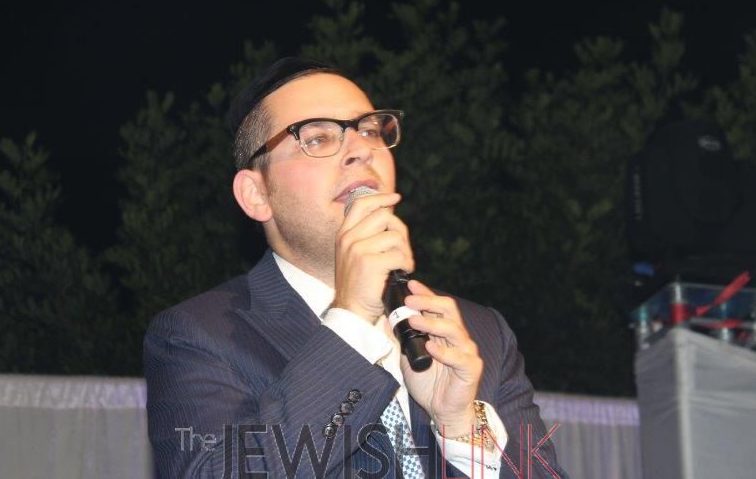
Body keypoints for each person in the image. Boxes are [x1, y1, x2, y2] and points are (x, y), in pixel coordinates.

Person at [144, 57, 567, 478]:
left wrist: (461, 431)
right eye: (317, 138)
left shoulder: (480, 334)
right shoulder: (197, 337)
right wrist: (352, 326)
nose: (362, 150)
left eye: (369, 130)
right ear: (257, 194)